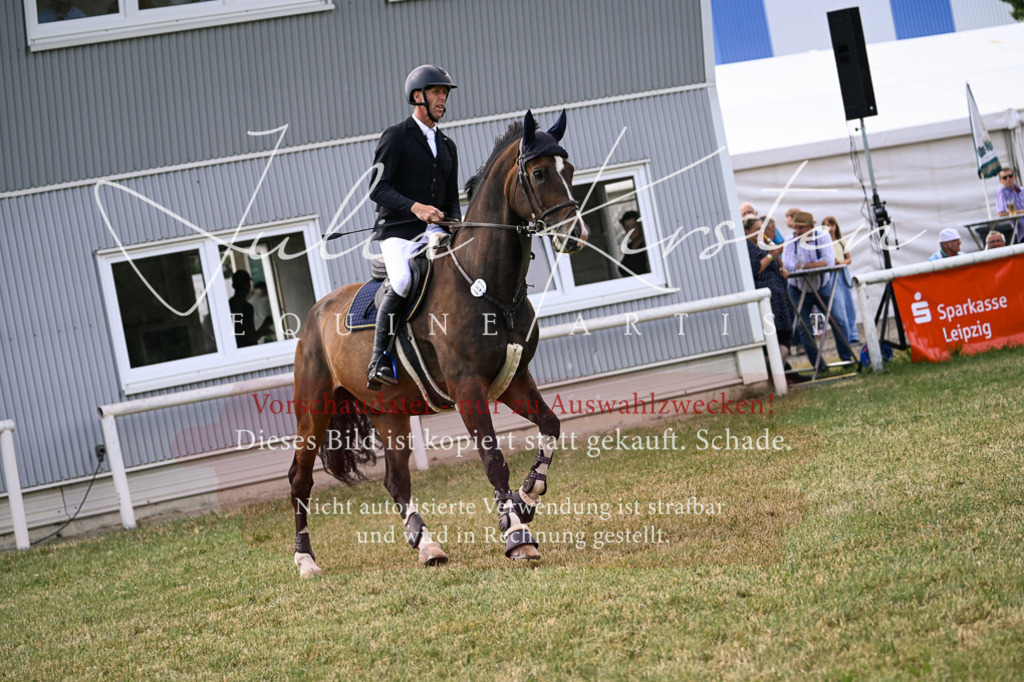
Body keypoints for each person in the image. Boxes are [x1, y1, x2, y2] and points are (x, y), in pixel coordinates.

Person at [366, 64, 461, 388]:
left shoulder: (448, 145)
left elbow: (451, 200)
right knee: (404, 280)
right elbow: (377, 189)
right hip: (398, 231)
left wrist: (455, 227)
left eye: (445, 94)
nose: (442, 99)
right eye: (437, 92)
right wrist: (416, 207)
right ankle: (379, 358)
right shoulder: (396, 136)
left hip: (435, 231)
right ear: (417, 96)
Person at [782, 211, 855, 370]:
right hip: (798, 289)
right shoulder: (790, 241)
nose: (798, 232)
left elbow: (828, 262)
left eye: (801, 228)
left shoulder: (823, 237)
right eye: (796, 228)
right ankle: (819, 366)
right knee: (804, 328)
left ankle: (846, 359)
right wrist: (815, 264)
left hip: (823, 286)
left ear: (810, 227)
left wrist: (804, 266)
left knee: (839, 320)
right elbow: (788, 265)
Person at [744, 217, 792, 366]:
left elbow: (778, 262)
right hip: (765, 295)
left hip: (778, 294)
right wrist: (771, 254)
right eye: (757, 229)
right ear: (747, 231)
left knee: (786, 334)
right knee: (772, 334)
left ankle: (777, 366)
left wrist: (782, 269)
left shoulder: (765, 244)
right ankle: (771, 368)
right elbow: (755, 268)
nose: (761, 232)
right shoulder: (746, 247)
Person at [822, 216, 859, 344]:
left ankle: (853, 334)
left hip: (842, 272)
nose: (830, 228)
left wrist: (841, 262)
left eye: (832, 225)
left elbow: (849, 259)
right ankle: (846, 335)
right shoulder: (823, 244)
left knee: (849, 304)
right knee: (839, 305)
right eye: (827, 226)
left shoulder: (841, 241)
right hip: (832, 274)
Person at [229, 270, 271, 348]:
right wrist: (266, 324)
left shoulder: (229, 305)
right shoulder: (246, 307)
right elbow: (251, 339)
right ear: (247, 285)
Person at [617, 210, 650, 276]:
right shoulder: (629, 247)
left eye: (634, 226)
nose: (631, 230)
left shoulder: (647, 245)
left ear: (640, 226)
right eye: (627, 227)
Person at [995, 168, 1023, 242]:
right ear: (1000, 180)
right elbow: (1001, 213)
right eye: (1005, 177)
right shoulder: (1001, 192)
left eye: (1010, 176)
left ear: (1014, 177)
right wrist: (1021, 212)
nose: (1008, 179)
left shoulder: (1022, 190)